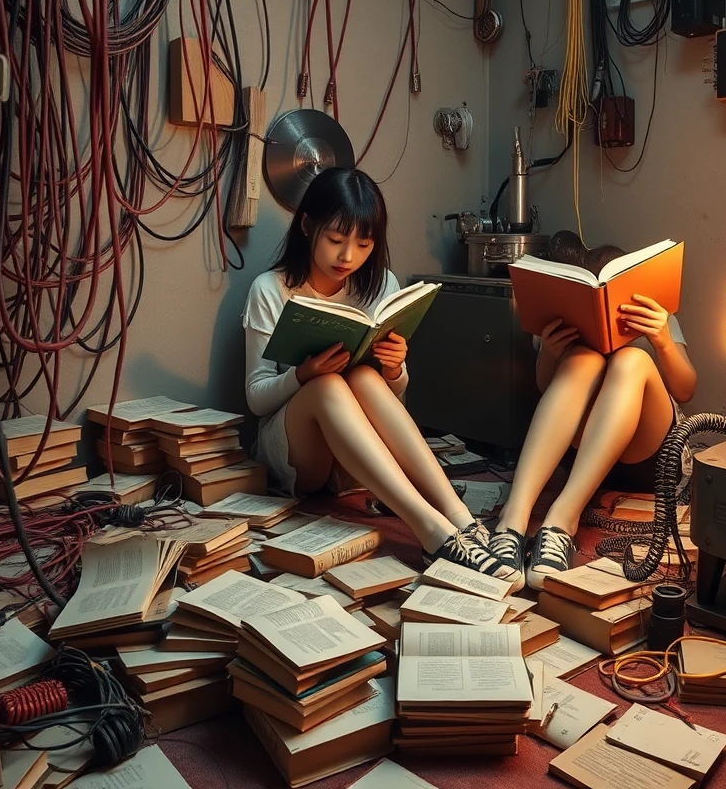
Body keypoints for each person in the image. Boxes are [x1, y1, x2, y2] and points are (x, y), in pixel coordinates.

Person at [243, 167, 515, 580]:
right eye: (335, 240)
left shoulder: (378, 285)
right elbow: (256, 397)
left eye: (363, 244)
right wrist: (303, 374)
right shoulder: (271, 289)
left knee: (365, 378)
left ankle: (460, 518)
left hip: (357, 461)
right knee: (328, 384)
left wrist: (394, 367)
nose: (347, 256)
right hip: (299, 457)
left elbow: (396, 395)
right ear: (306, 226)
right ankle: (431, 530)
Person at [488, 232, 698, 592]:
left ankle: (561, 522)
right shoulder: (560, 310)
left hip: (648, 458)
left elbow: (685, 389)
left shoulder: (652, 307)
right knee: (581, 359)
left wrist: (661, 338)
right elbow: (545, 387)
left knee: (633, 360)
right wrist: (552, 353)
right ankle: (513, 521)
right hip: (583, 447)